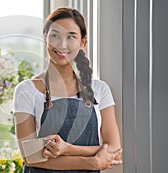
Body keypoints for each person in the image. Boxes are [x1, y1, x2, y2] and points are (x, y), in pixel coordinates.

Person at [13, 7, 123, 173]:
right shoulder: (27, 90)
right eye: (55, 35)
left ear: (83, 42)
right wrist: (92, 162)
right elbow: (31, 157)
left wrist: (67, 149)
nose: (62, 45)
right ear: (45, 39)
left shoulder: (100, 90)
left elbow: (114, 149)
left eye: (71, 36)